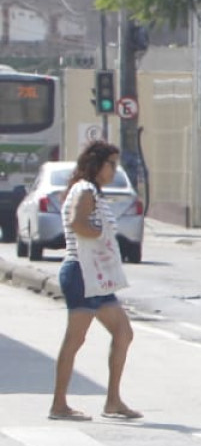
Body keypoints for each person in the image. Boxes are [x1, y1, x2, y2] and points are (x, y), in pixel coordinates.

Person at [48, 139, 141, 423]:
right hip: (82, 272)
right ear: (96, 164)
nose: (114, 169)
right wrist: (100, 233)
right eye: (111, 164)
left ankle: (113, 401)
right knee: (75, 338)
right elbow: (78, 224)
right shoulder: (85, 189)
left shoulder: (92, 191)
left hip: (96, 276)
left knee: (123, 332)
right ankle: (59, 404)